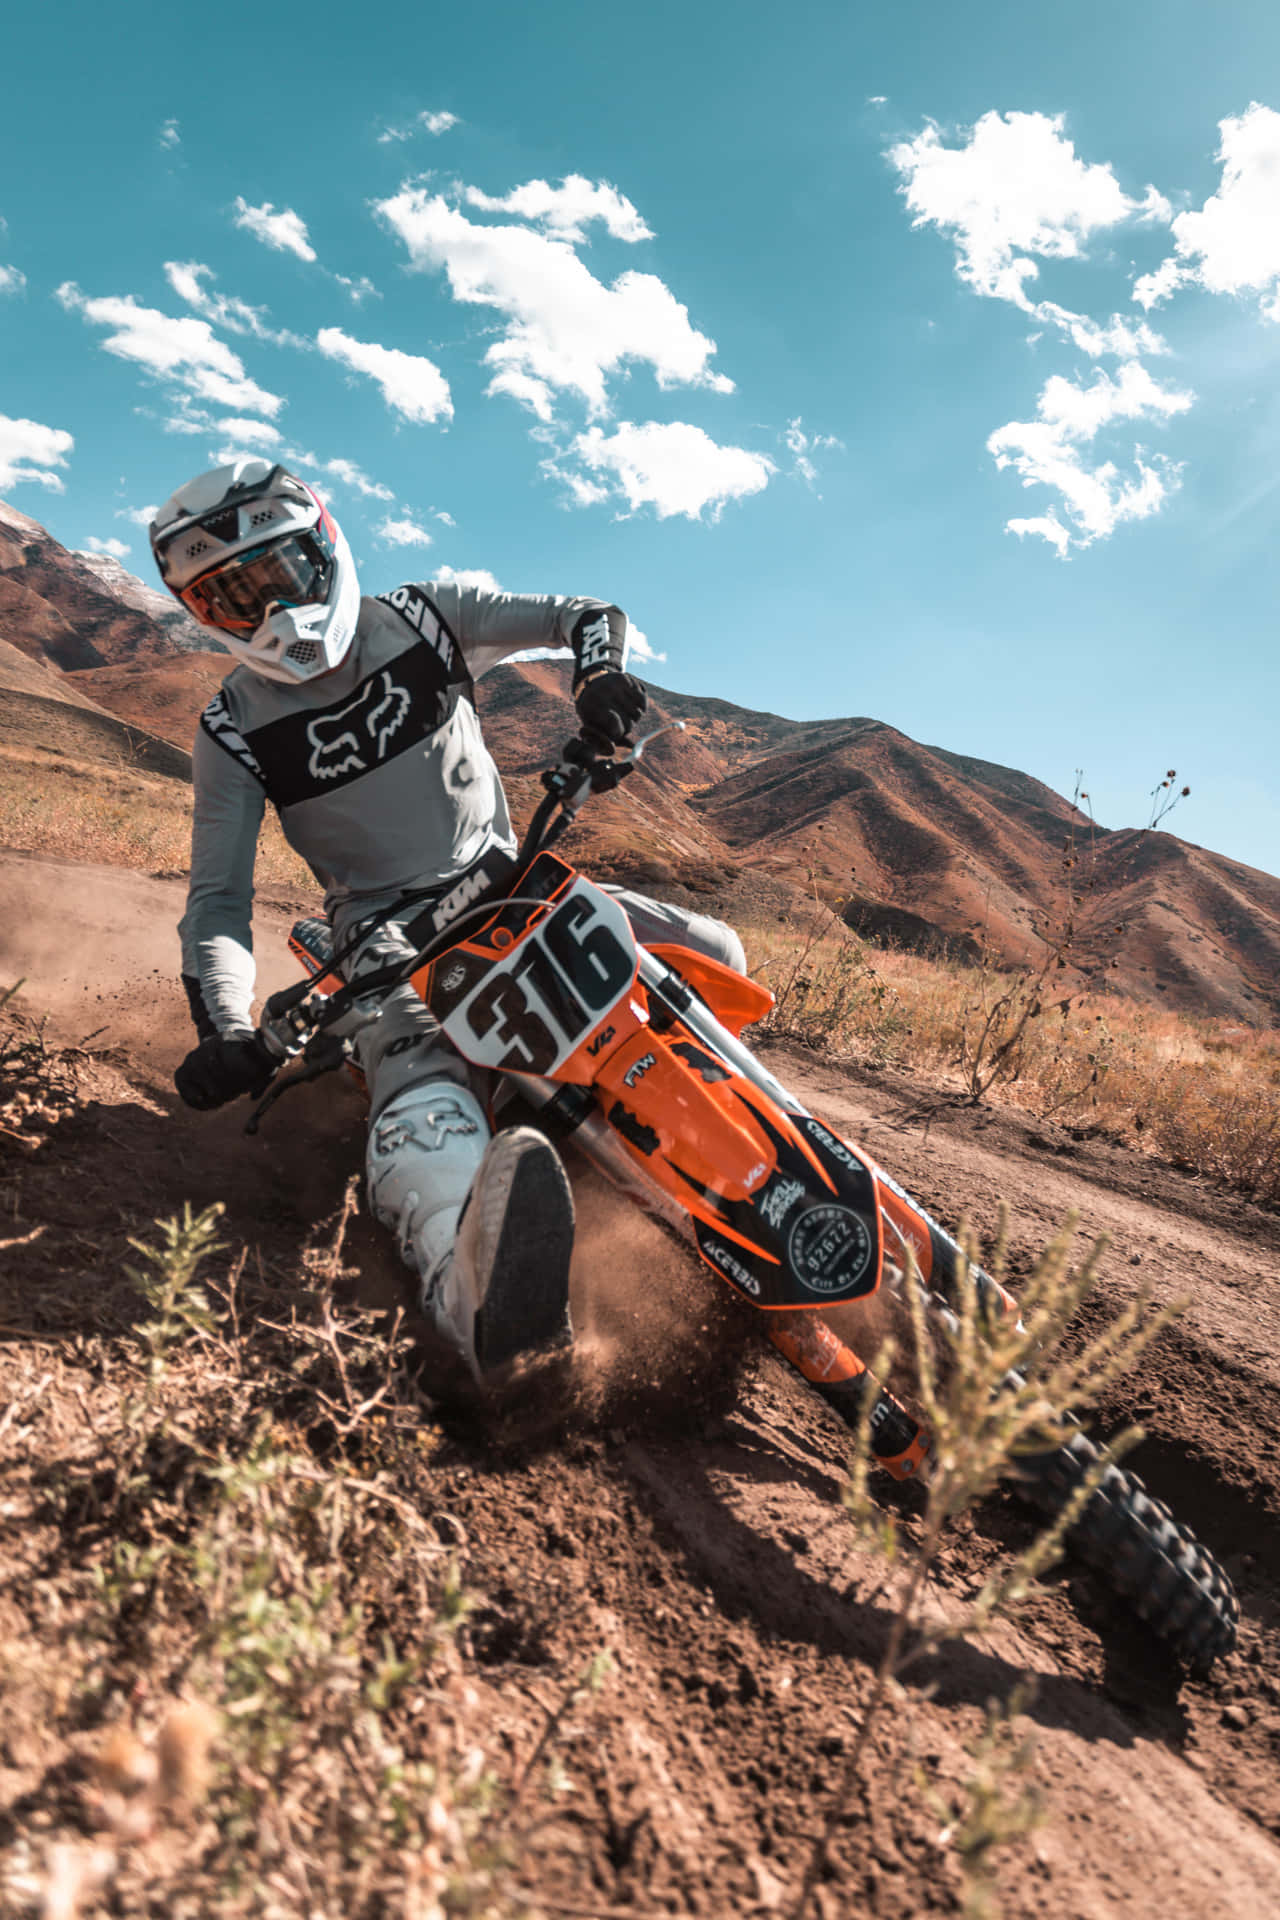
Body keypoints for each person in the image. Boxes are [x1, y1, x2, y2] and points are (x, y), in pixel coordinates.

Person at [152, 459, 745, 1382]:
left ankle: (738, 1155)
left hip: (510, 883)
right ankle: (468, 1292)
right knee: (420, 1075)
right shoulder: (231, 727)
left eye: (280, 577)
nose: (271, 614)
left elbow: (585, 616)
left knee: (711, 950)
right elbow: (219, 902)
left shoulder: (427, 618)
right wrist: (227, 1028)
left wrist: (599, 680)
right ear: (201, 614)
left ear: (326, 547)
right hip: (383, 940)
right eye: (232, 601)